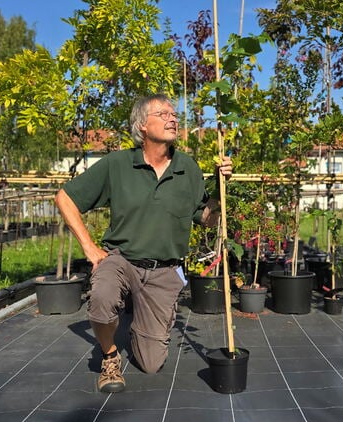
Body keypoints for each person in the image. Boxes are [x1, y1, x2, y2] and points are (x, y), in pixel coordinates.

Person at [54, 93, 232, 393]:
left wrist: (221, 184)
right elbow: (64, 198)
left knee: (151, 364)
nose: (173, 118)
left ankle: (139, 322)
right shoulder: (118, 164)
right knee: (102, 297)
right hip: (122, 260)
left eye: (174, 114)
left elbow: (207, 218)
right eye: (163, 114)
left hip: (164, 271)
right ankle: (110, 354)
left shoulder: (187, 168)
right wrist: (89, 247)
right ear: (142, 126)